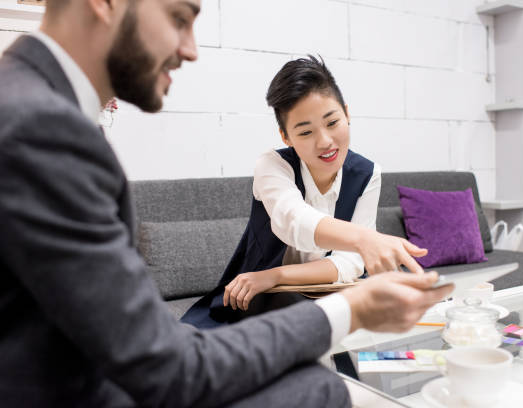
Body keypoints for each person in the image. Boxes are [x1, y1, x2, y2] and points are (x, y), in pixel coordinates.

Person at [0, 0, 454, 407]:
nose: (192, 49)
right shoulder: (41, 127)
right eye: (179, 17)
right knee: (325, 389)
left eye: (332, 122)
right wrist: (352, 306)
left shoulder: (40, 108)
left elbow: (112, 325)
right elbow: (166, 367)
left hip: (106, 366)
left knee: (325, 384)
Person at [182, 56, 430, 328]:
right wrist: (364, 239)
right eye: (305, 132)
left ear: (346, 114)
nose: (324, 142)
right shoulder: (273, 166)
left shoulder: (368, 174)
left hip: (321, 290)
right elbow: (294, 221)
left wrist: (277, 275)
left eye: (332, 122)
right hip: (259, 294)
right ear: (285, 136)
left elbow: (349, 264)